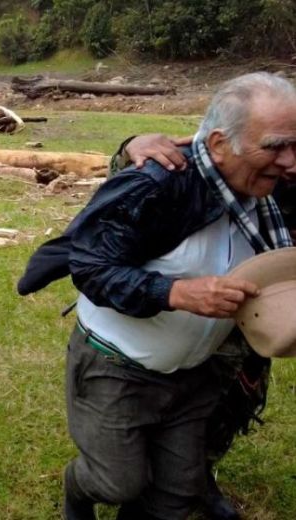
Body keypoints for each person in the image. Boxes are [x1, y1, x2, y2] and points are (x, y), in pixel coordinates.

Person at [18, 72, 296, 519]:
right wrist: (176, 292)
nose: (291, 162)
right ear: (221, 144)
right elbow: (91, 266)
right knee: (118, 480)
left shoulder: (277, 190)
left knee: (176, 493)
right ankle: (78, 488)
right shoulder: (158, 182)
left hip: (196, 371)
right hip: (119, 364)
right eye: (277, 146)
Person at [108, 131, 296, 520]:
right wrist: (132, 146)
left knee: (229, 401)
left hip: (271, 308)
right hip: (200, 301)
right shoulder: (255, 133)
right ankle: (140, 481)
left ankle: (197, 476)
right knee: (172, 394)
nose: (290, 162)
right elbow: (167, 162)